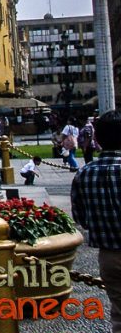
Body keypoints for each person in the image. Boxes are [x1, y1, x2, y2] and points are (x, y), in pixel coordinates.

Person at [71, 111, 121, 332]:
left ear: (97, 139)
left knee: (118, 312)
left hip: (108, 257)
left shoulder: (83, 174)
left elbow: (80, 219)